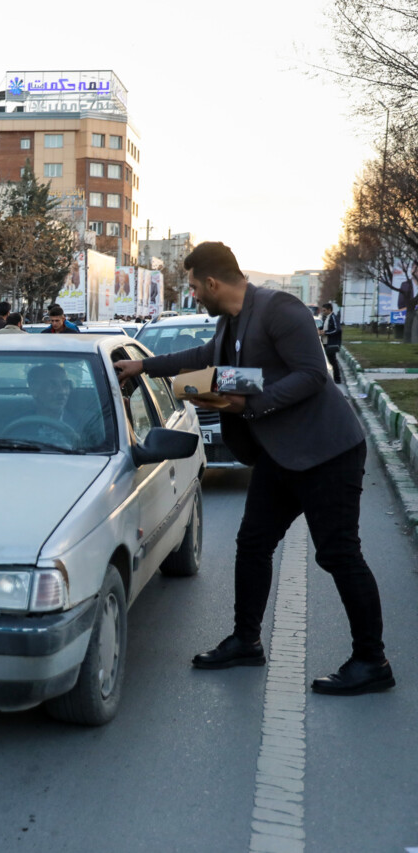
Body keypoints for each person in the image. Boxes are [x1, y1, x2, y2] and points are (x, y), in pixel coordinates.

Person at [114, 241, 392, 695]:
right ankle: (246, 641)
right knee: (253, 544)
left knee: (339, 554)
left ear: (212, 282)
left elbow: (312, 375)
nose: (194, 296)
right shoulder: (230, 323)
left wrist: (251, 404)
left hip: (326, 454)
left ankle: (372, 660)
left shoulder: (280, 309)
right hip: (280, 456)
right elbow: (203, 360)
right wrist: (143, 365)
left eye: (194, 288)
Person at [319, 302, 343, 384]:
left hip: (331, 343)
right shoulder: (327, 318)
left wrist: (325, 333)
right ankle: (330, 377)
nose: (323, 312)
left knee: (333, 361)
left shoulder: (333, 317)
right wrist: (320, 329)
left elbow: (337, 329)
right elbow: (325, 327)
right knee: (328, 361)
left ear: (329, 310)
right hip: (325, 342)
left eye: (324, 310)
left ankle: (337, 378)